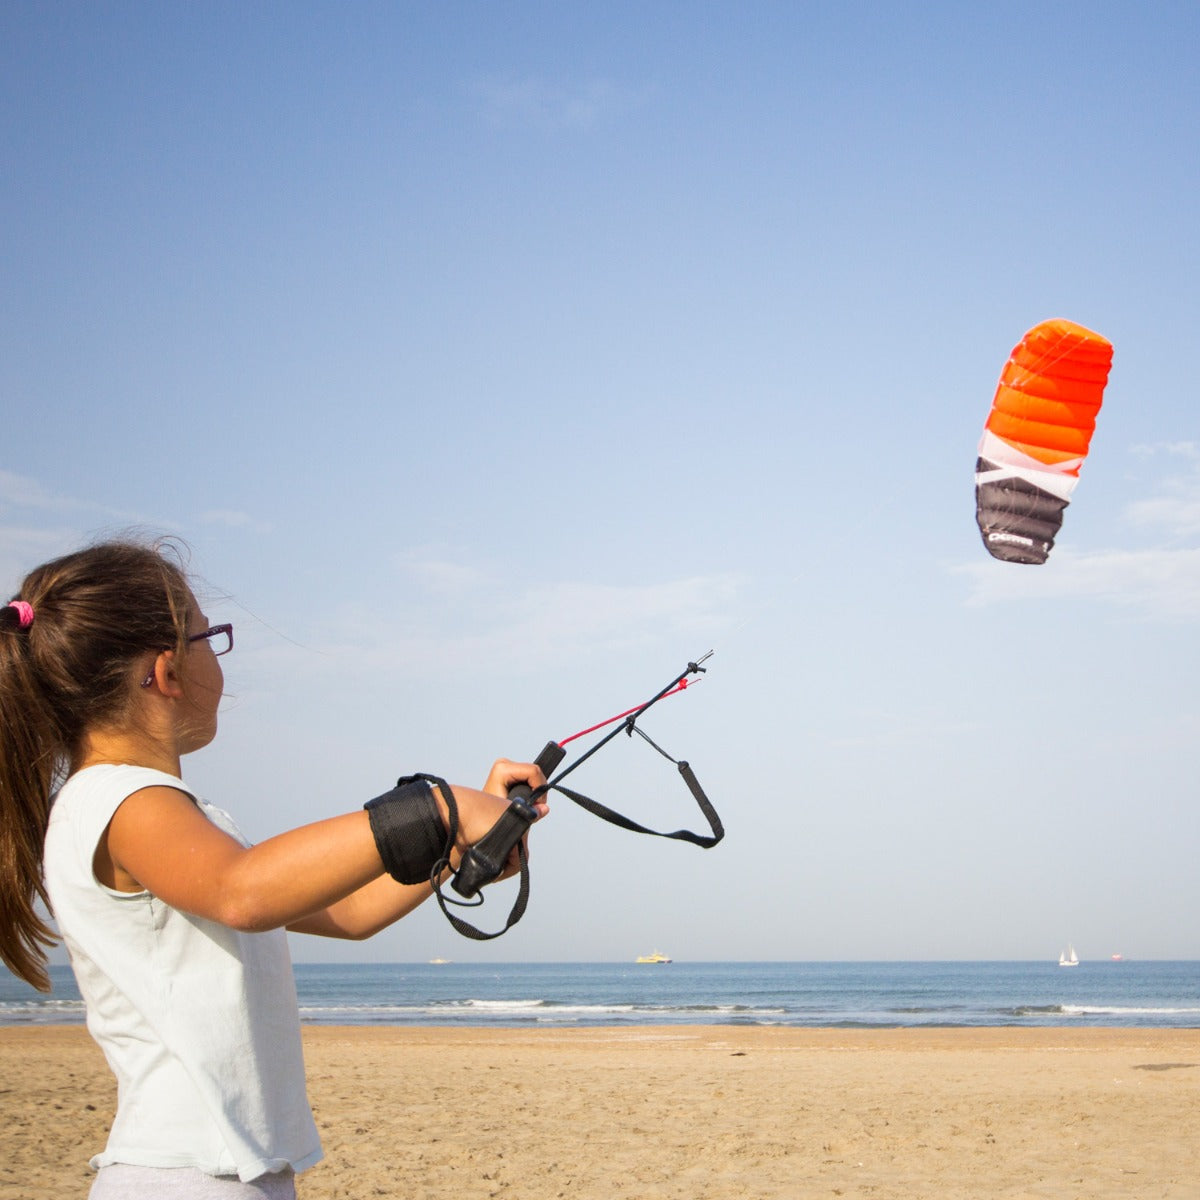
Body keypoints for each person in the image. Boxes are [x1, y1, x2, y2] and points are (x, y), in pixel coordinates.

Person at [0, 537, 548, 1199]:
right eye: (210, 637)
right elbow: (245, 890)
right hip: (186, 1176)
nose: (219, 656)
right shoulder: (122, 801)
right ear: (167, 671)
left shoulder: (170, 817)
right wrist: (440, 807)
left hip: (235, 1173)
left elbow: (346, 913)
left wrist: (459, 843)